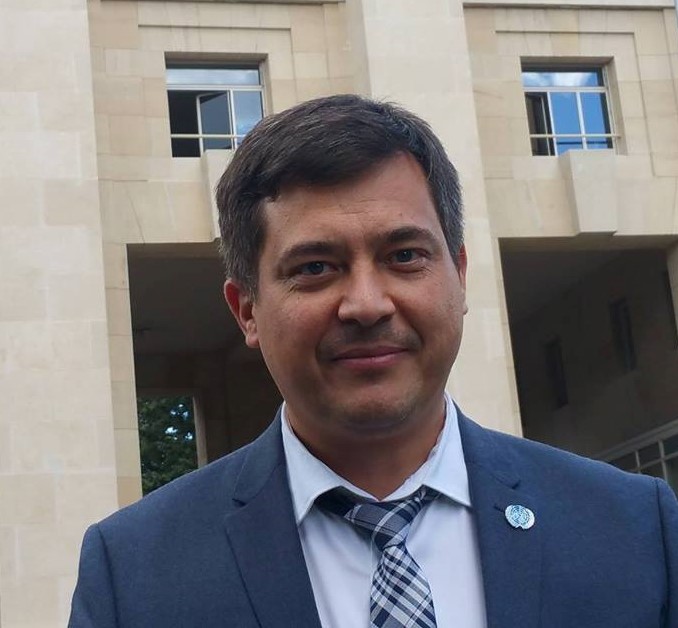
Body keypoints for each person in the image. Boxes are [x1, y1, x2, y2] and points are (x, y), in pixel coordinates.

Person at [69, 94, 678, 628]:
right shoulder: (135, 573)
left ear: (460, 275)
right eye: (315, 268)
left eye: (405, 256)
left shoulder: (634, 529)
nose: (366, 304)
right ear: (247, 310)